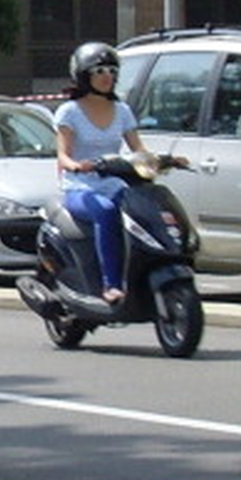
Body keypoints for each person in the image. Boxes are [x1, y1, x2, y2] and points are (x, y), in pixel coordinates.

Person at [54, 40, 155, 303]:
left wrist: (160, 162)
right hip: (80, 188)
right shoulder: (69, 111)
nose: (106, 77)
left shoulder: (122, 110)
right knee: (106, 212)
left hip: (114, 184)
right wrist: (75, 165)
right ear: (84, 75)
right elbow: (63, 154)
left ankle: (143, 273)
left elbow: (138, 149)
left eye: (111, 71)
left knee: (144, 207)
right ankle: (110, 284)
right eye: (99, 71)